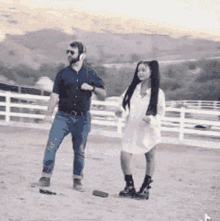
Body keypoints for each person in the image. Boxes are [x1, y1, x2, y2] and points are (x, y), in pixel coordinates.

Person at [32, 41, 106, 192]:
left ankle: (77, 181)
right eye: (67, 52)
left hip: (82, 119)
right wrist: (48, 114)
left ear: (82, 55)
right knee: (51, 145)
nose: (68, 55)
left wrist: (92, 88)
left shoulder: (91, 73)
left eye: (72, 52)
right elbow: (54, 95)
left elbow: (104, 95)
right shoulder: (62, 73)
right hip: (63, 117)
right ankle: (45, 178)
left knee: (79, 150)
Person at [115, 60, 165, 200]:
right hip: (132, 128)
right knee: (125, 154)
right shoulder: (132, 89)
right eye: (138, 70)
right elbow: (123, 106)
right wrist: (120, 112)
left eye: (143, 70)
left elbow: (161, 114)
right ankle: (129, 186)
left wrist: (152, 119)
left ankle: (145, 188)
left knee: (150, 157)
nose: (140, 73)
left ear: (151, 72)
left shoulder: (158, 93)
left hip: (149, 130)